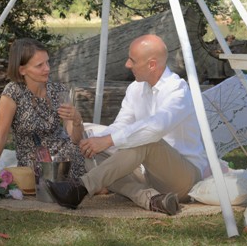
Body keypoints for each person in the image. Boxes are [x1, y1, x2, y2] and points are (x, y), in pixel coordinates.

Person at [46, 34, 208, 215]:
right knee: (91, 151)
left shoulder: (178, 91)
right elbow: (121, 125)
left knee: (145, 140)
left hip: (183, 179)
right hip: (145, 173)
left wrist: (108, 140)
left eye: (132, 60)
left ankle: (81, 187)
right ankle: (151, 199)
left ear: (152, 65)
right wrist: (95, 141)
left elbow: (155, 128)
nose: (127, 65)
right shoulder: (135, 88)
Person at [0, 38, 86, 180]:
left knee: (83, 150)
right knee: (76, 167)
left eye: (47, 62)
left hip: (65, 152)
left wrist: (77, 120)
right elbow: (1, 138)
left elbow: (75, 138)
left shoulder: (58, 90)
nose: (47, 68)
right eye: (39, 65)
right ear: (22, 70)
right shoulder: (12, 93)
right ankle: (84, 182)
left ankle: (84, 182)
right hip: (34, 159)